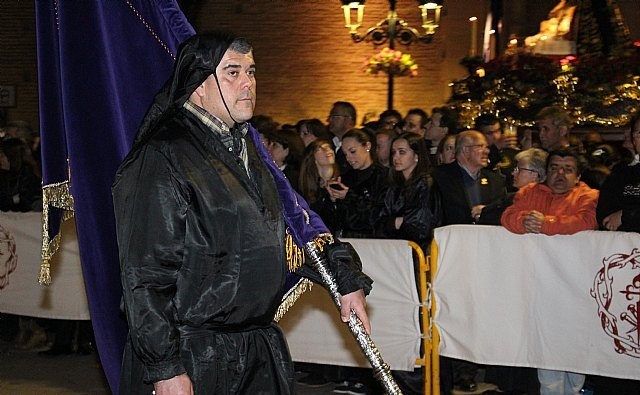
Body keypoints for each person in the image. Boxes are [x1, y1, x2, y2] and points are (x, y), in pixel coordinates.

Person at [112, 32, 372, 395]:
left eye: (251, 71)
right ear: (198, 85)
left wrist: (344, 278)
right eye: (232, 72)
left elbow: (292, 225)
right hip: (194, 355)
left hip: (256, 351)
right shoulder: (163, 156)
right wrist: (165, 367)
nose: (248, 82)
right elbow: (145, 276)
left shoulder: (248, 150)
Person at [501, 150, 598, 395]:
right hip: (539, 287)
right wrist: (523, 221)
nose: (560, 174)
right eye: (554, 168)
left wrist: (547, 224)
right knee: (546, 356)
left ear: (578, 176)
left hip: (576, 289)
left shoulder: (589, 196)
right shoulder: (529, 193)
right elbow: (508, 216)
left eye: (567, 169)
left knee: (575, 356)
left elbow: (586, 221)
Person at [374, 132, 434, 252]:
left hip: (417, 252)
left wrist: (395, 223)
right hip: (393, 249)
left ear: (416, 156)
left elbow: (419, 226)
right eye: (393, 152)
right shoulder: (393, 185)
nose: (396, 157)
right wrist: (396, 222)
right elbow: (377, 221)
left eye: (402, 152)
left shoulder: (425, 184)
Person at [326, 128, 388, 238]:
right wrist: (333, 200)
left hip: (373, 241)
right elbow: (335, 219)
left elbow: (379, 214)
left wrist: (349, 196)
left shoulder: (384, 177)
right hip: (347, 240)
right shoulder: (346, 178)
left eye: (353, 151)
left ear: (367, 146)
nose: (349, 158)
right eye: (345, 154)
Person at [597, 113, 640, 232]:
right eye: (639, 134)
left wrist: (624, 216)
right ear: (634, 140)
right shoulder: (621, 171)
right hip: (623, 244)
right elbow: (605, 216)